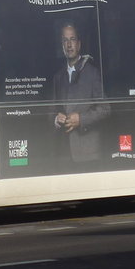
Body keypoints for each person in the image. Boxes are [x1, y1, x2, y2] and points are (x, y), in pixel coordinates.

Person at [51, 21, 108, 165]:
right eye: (65, 40)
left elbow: (105, 109)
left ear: (79, 44)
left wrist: (81, 119)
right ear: (62, 45)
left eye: (72, 39)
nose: (69, 44)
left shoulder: (92, 73)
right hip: (64, 154)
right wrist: (56, 119)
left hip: (89, 153)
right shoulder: (58, 77)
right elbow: (51, 111)